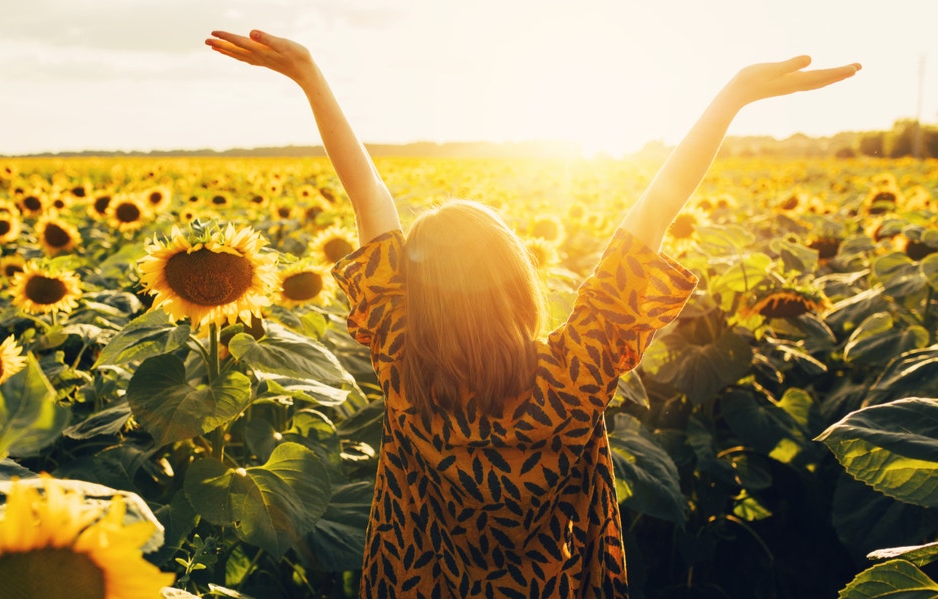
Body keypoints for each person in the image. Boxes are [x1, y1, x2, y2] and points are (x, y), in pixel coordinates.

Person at [207, 29, 859, 598]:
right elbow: (655, 212)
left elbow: (369, 198)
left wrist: (309, 76)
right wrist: (733, 95)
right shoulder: (574, 373)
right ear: (518, 283)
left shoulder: (404, 365)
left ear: (417, 295)